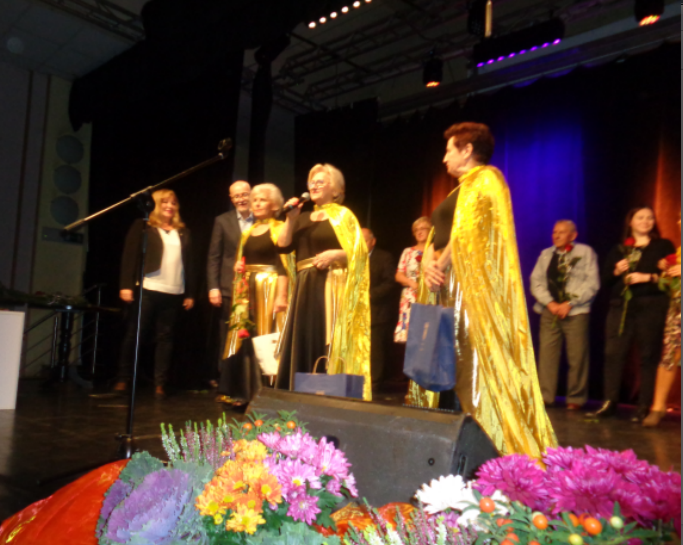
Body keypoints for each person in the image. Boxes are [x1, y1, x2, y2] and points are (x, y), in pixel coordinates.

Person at [413, 122, 557, 457]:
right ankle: (446, 440)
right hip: (443, 284)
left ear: (467, 150)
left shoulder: (487, 179)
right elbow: (438, 234)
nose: (444, 158)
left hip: (465, 287)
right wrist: (428, 263)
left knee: (468, 358)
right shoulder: (456, 191)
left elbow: (469, 233)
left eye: (449, 150)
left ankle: (479, 445)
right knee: (445, 358)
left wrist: (441, 264)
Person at [276, 163, 372, 401]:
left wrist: (336, 254)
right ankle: (300, 396)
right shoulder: (301, 217)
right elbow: (283, 246)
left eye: (321, 182)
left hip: (332, 285)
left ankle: (328, 396)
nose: (314, 186)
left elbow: (359, 252)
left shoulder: (344, 216)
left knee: (327, 338)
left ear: (336, 190)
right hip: (305, 286)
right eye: (312, 182)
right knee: (305, 338)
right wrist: (290, 219)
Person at [587, 206, 675, 422]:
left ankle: (644, 405)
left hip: (651, 306)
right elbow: (606, 281)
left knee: (648, 355)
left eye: (650, 218)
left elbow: (671, 278)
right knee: (613, 353)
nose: (646, 221)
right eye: (640, 217)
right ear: (631, 222)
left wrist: (649, 277)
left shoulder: (663, 246)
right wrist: (617, 271)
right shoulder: (620, 249)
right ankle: (609, 402)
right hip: (621, 306)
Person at [115, 189, 195, 398]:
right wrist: (126, 286)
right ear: (156, 205)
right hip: (148, 287)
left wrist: (190, 293)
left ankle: (160, 382)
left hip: (174, 290)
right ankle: (123, 377)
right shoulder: (143, 226)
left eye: (173, 203)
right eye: (165, 202)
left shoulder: (183, 232)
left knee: (165, 337)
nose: (170, 206)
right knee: (135, 333)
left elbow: (189, 264)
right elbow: (129, 256)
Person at [221, 183, 294, 406]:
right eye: (255, 200)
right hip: (247, 290)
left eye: (262, 200)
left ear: (275, 205)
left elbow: (284, 265)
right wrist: (239, 268)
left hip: (269, 288)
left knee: (266, 337)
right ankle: (247, 392)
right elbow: (242, 260)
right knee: (248, 337)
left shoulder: (279, 228)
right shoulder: (248, 232)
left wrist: (281, 295)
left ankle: (269, 393)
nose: (257, 203)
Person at [530, 220, 600, 410]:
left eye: (562, 232)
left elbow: (592, 283)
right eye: (555, 232)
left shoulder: (585, 252)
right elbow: (536, 282)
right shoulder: (546, 254)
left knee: (577, 356)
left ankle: (575, 398)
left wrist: (570, 303)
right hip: (549, 311)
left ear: (573, 235)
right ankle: (546, 396)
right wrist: (550, 303)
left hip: (576, 311)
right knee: (547, 355)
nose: (557, 235)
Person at [207, 181, 253, 400]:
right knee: (227, 336)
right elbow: (214, 256)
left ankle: (249, 383)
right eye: (236, 196)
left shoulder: (263, 219)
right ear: (231, 199)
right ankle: (226, 385)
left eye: (244, 194)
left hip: (255, 288)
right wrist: (213, 287)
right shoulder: (222, 221)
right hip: (228, 288)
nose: (241, 199)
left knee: (251, 335)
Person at [643, 231, 681, 427]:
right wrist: (666, 271)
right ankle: (657, 407)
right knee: (669, 354)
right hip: (678, 308)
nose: (680, 224)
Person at [361, 228, 396, 391]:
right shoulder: (351, 257)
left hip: (377, 310)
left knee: (376, 350)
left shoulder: (384, 257)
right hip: (355, 311)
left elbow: (390, 282)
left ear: (373, 241)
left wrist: (369, 295)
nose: (361, 244)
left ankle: (375, 384)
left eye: (364, 240)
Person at [394, 217, 431, 343]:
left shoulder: (435, 251)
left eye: (423, 228)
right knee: (411, 337)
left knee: (427, 335)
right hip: (411, 295)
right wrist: (411, 283)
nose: (419, 232)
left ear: (430, 231)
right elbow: (398, 275)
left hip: (430, 294)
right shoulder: (408, 252)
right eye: (416, 230)